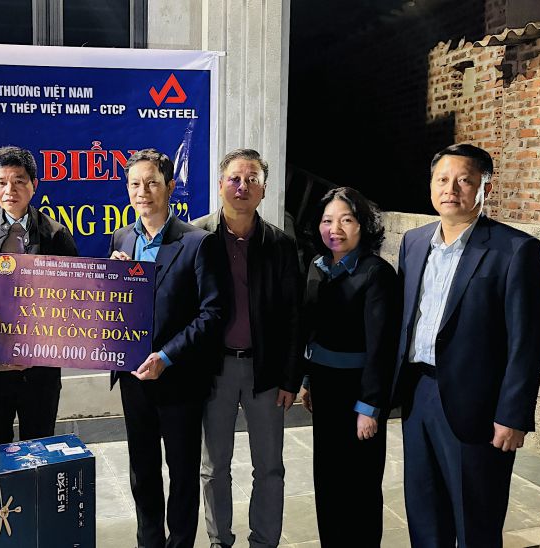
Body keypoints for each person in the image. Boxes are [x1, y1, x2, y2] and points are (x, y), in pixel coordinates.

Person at [392, 143, 540, 547]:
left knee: (475, 522)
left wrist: (513, 414)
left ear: (486, 187)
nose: (452, 189)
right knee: (424, 514)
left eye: (464, 180)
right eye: (442, 180)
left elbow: (527, 342)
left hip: (478, 408)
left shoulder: (515, 250)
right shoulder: (414, 243)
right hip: (418, 395)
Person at [109, 148, 223, 548]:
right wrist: (113, 282)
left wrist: (167, 356)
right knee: (141, 469)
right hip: (132, 378)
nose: (143, 191)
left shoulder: (197, 243)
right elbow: (117, 307)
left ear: (170, 187)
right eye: (135, 184)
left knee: (182, 471)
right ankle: (149, 541)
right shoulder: (122, 238)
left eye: (152, 183)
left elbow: (211, 315)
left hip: (178, 378)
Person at [191, 149, 301, 548]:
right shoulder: (196, 237)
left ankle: (264, 541)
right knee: (214, 467)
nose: (242, 186)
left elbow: (293, 317)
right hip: (214, 371)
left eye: (251, 179)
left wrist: (291, 377)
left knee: (269, 466)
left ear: (264, 189)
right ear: (220, 185)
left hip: (265, 373)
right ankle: (221, 540)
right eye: (235, 178)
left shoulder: (280, 244)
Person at [0, 145, 78, 447]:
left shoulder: (56, 235)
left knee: (39, 449)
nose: (10, 190)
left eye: (19, 180)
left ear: (34, 185)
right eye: (1, 182)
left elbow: (74, 299)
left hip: (39, 372)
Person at [299, 187, 400, 547]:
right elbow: (312, 330)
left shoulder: (377, 273)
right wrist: (309, 379)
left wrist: (370, 407)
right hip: (325, 386)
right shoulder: (317, 265)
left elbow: (381, 348)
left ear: (363, 225)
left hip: (359, 391)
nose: (335, 228)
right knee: (327, 480)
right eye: (328, 220)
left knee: (360, 485)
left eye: (346, 219)